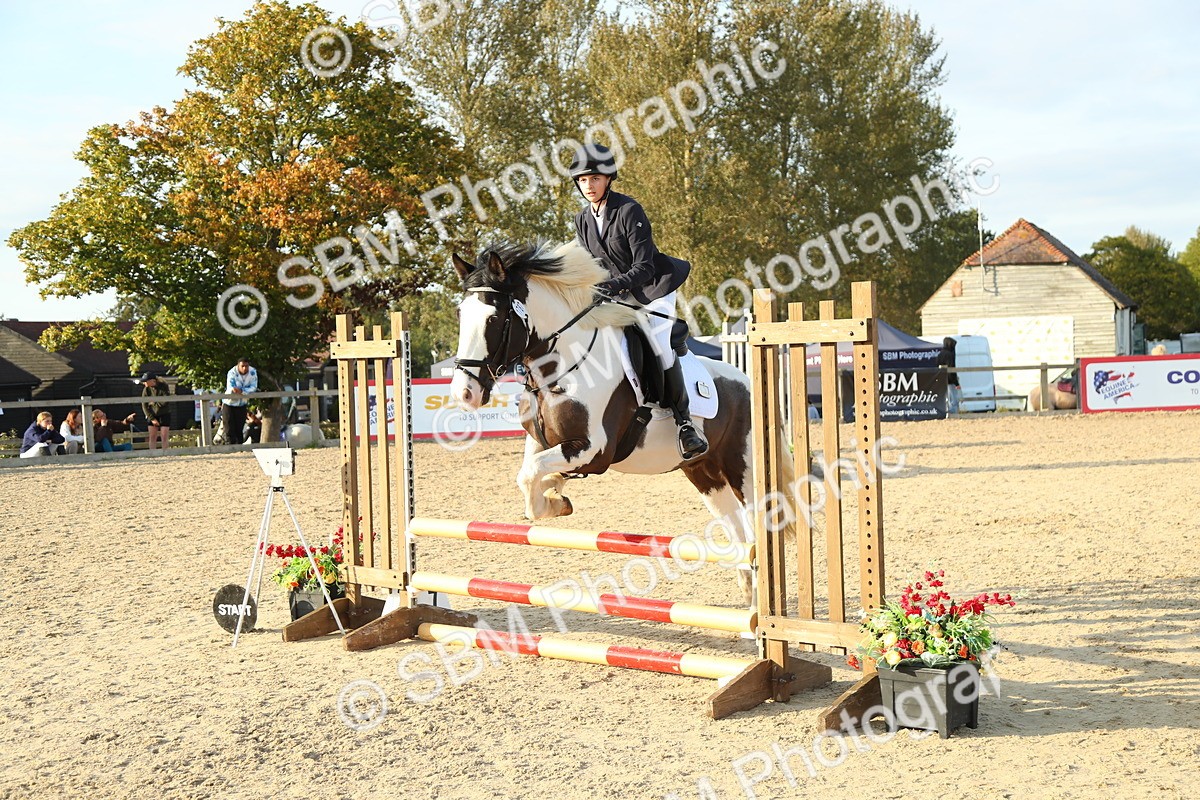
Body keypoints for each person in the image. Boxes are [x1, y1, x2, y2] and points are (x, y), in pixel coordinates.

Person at [569, 143, 707, 459]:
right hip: (620, 293)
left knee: (658, 344)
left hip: (653, 288)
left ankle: (685, 424)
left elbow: (644, 266)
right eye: (583, 180)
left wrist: (611, 286)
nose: (589, 186)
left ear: (608, 178)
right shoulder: (582, 220)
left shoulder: (629, 210)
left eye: (595, 178)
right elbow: (592, 264)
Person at [223, 357, 258, 444]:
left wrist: (242, 391)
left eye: (246, 366)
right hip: (229, 404)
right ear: (238, 366)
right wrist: (238, 390)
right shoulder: (232, 372)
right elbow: (231, 387)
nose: (244, 368)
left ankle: (240, 449)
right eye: (242, 366)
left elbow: (253, 387)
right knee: (229, 429)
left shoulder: (252, 372)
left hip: (242, 404)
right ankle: (230, 448)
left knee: (239, 429)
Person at [139, 372, 172, 451]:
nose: (144, 383)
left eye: (146, 381)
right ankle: (152, 453)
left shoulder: (163, 386)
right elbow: (144, 405)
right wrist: (152, 418)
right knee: (152, 436)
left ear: (152, 381)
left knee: (164, 436)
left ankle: (165, 452)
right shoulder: (146, 390)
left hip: (164, 413)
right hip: (152, 414)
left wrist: (154, 402)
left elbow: (165, 401)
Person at [938, 337, 961, 414]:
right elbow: (952, 370)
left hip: (942, 380)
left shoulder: (940, 354)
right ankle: (953, 413)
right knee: (954, 399)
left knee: (947, 399)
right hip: (950, 381)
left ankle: (947, 412)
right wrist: (956, 383)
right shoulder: (950, 355)